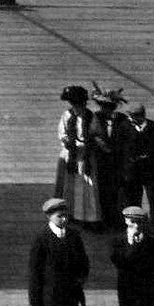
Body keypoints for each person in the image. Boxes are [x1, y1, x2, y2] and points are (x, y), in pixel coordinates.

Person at [28, 198, 90, 306]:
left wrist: (81, 278)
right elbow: (35, 273)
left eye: (65, 215)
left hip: (71, 297)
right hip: (52, 299)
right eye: (59, 216)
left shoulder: (74, 236)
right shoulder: (42, 239)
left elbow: (83, 261)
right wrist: (35, 304)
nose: (64, 219)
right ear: (49, 217)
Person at [55, 86, 102, 227]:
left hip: (85, 157)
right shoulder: (67, 116)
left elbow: (97, 134)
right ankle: (69, 214)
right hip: (70, 156)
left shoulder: (90, 117)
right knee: (68, 186)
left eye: (78, 104)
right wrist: (68, 142)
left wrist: (87, 143)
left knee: (86, 186)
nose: (75, 107)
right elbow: (62, 134)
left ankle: (88, 217)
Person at [117, 103, 154, 233]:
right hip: (132, 172)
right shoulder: (124, 128)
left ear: (141, 116)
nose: (131, 119)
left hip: (152, 172)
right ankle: (134, 228)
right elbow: (120, 150)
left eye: (133, 117)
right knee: (133, 202)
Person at [89, 84, 128, 230]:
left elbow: (126, 137)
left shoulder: (122, 118)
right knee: (102, 192)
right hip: (101, 161)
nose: (106, 109)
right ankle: (104, 219)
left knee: (118, 191)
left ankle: (117, 219)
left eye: (110, 106)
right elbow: (93, 136)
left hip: (118, 161)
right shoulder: (96, 118)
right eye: (104, 106)